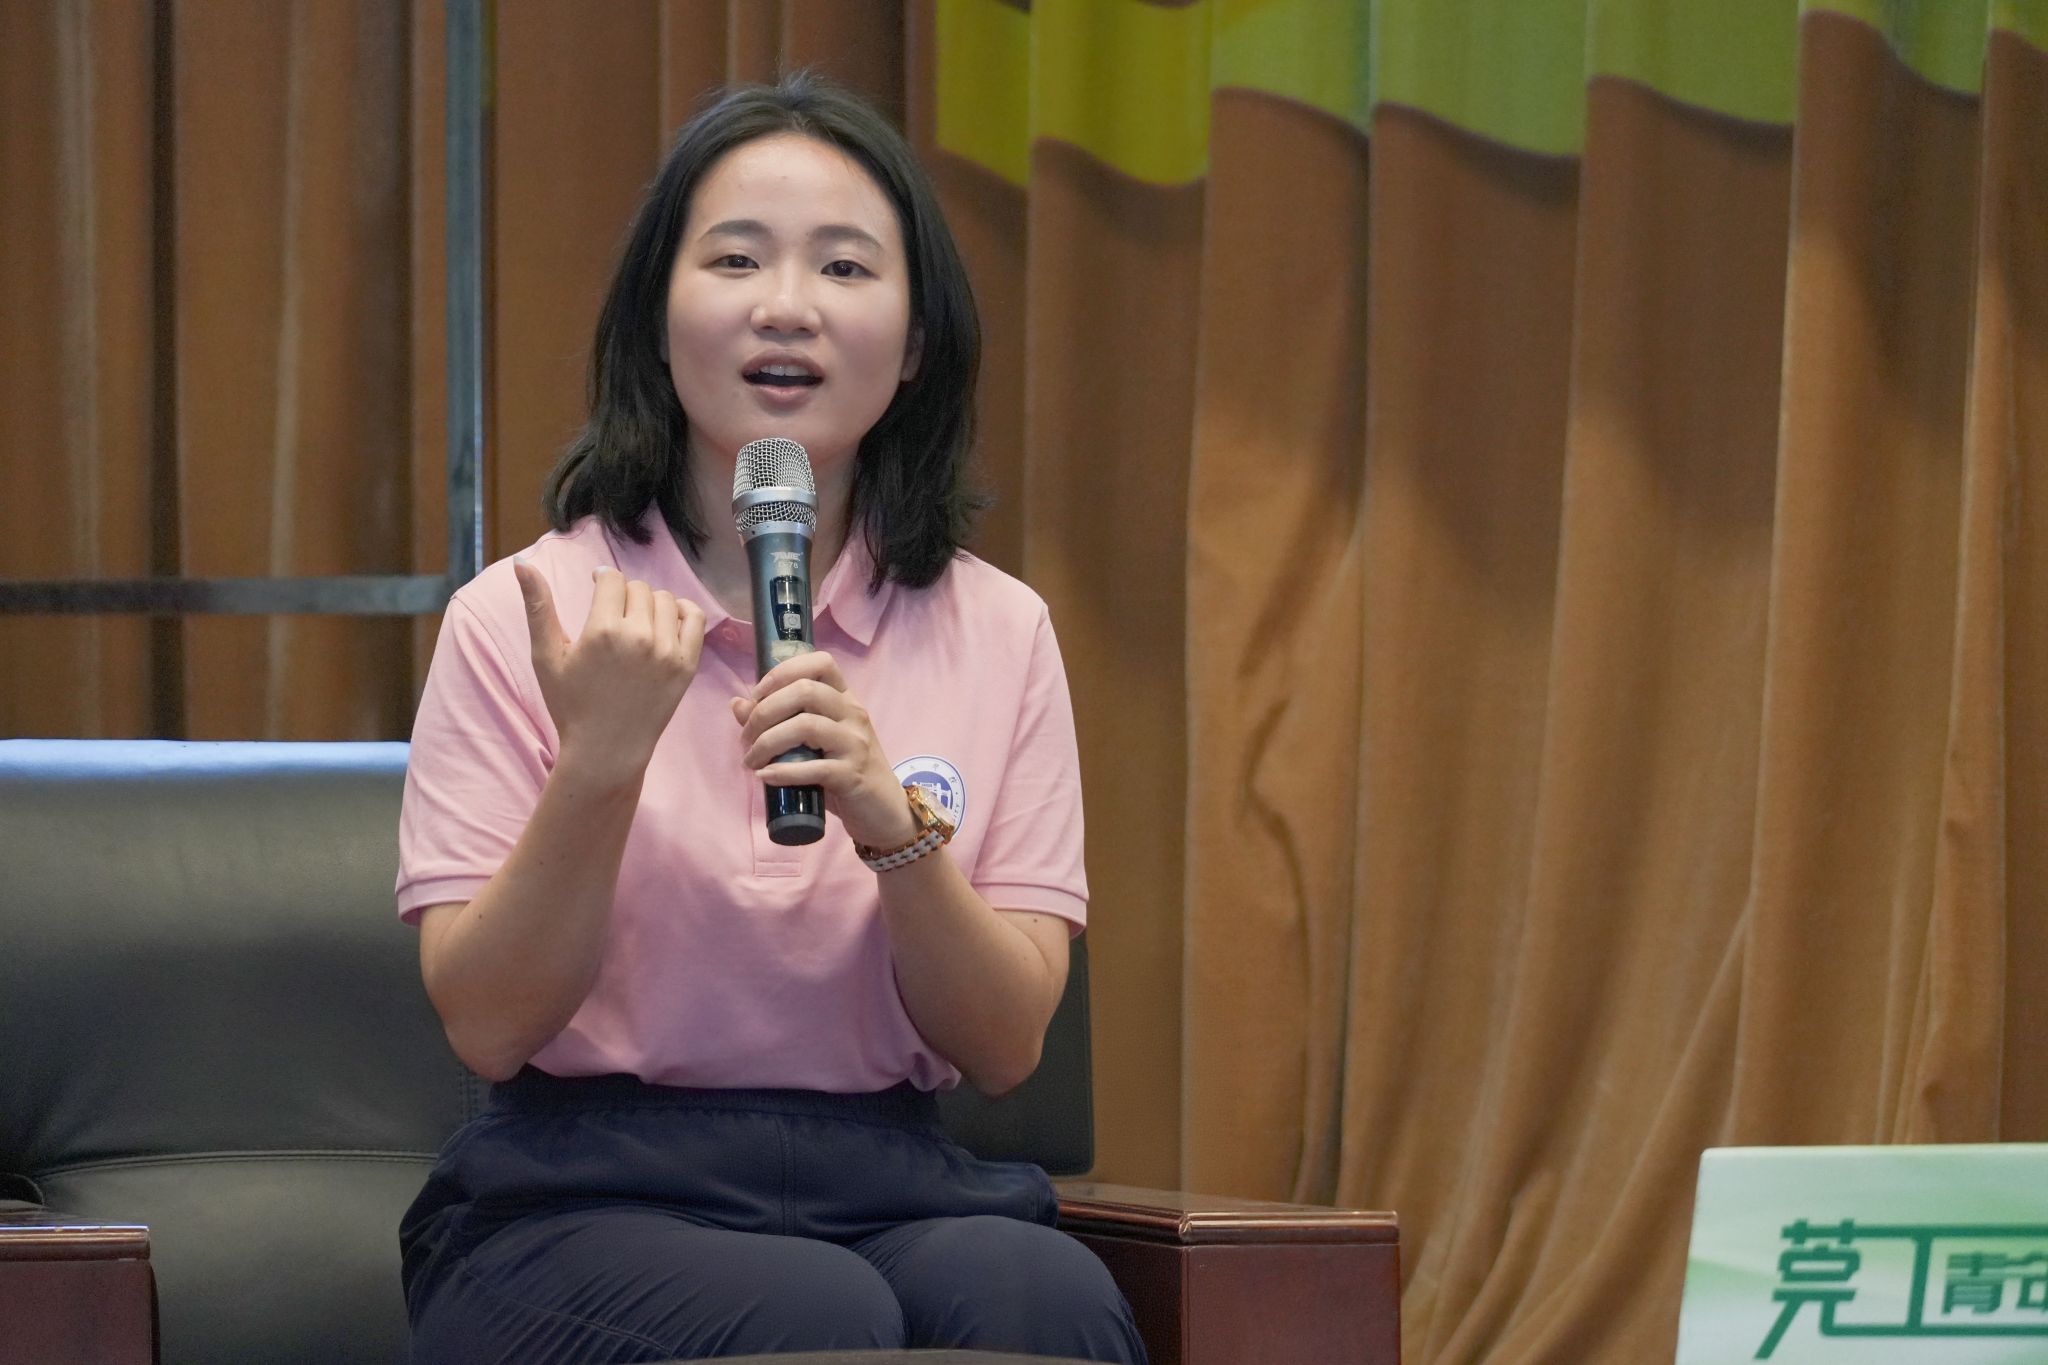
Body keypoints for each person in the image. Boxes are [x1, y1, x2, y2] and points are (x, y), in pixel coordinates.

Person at [392, 71, 1146, 1364]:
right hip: (581, 1189)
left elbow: (1005, 1045)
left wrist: (892, 827)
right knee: (817, 1315)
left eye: (845, 268)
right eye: (736, 259)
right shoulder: (527, 613)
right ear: (659, 320)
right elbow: (489, 1022)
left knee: (1043, 1299)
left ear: (915, 343)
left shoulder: (1000, 629)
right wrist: (599, 765)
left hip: (891, 1173)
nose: (787, 305)